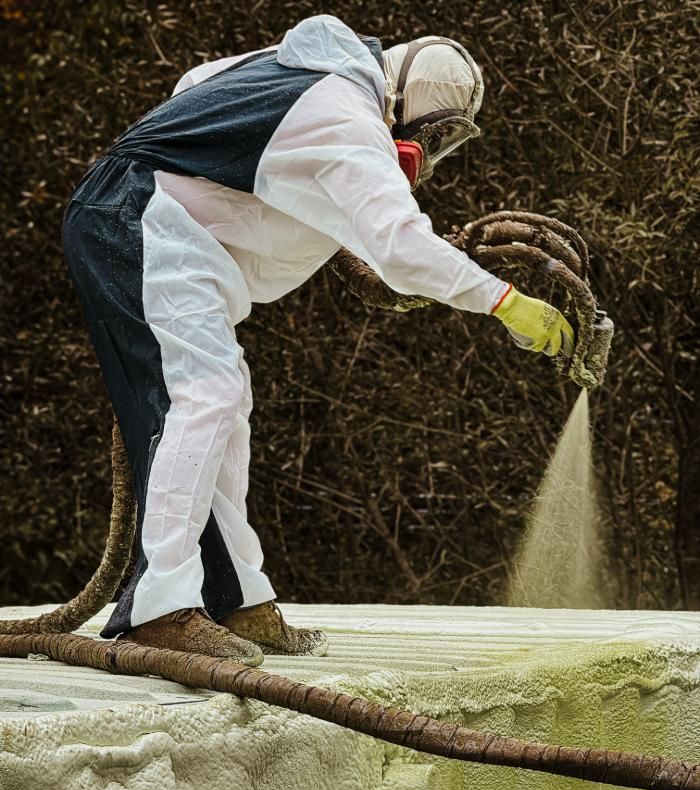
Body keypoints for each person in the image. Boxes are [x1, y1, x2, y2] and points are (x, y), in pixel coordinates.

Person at [62, 14, 573, 664]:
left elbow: (196, 83)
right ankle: (161, 609)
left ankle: (236, 599)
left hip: (164, 221)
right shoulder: (345, 113)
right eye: (433, 138)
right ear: (406, 108)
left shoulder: (312, 68)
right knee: (207, 393)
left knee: (227, 404)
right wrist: (502, 300)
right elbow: (399, 243)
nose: (431, 157)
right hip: (135, 217)